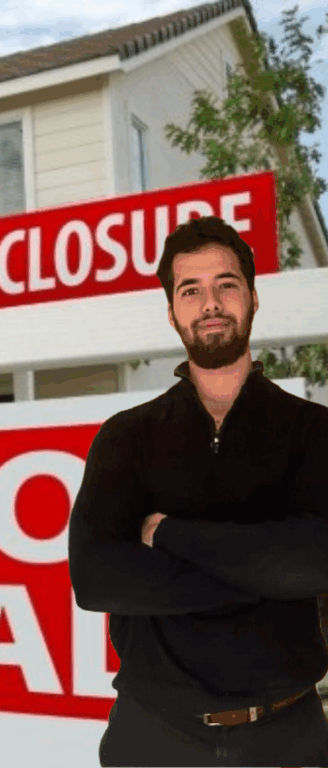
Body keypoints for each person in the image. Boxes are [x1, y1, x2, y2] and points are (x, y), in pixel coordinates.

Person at [67, 215, 328, 767]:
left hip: (287, 736)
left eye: (226, 285)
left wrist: (170, 534)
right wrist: (263, 573)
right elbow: (95, 578)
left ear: (253, 299)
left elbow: (313, 561)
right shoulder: (126, 436)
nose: (210, 302)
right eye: (192, 290)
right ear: (172, 311)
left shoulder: (313, 430)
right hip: (152, 736)